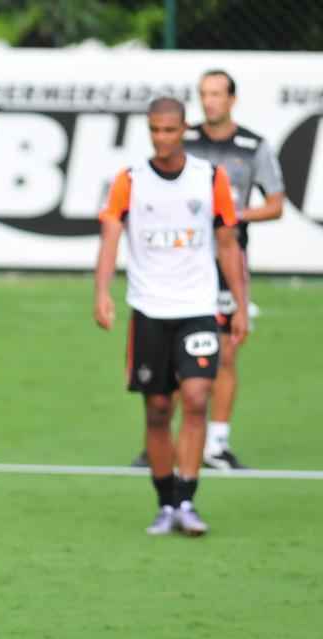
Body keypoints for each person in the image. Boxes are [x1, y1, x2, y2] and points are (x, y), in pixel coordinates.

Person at [94, 97, 248, 536]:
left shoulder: (209, 178)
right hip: (149, 310)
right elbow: (109, 238)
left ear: (184, 130)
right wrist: (102, 292)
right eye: (155, 131)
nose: (162, 138)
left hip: (198, 307)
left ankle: (187, 500)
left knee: (197, 397)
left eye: (170, 130)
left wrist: (236, 302)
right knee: (159, 409)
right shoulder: (130, 181)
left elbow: (227, 243)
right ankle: (164, 504)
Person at [184, 69, 285, 469]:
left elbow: (276, 204)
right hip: (185, 258)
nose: (209, 101)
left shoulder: (253, 146)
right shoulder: (183, 141)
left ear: (232, 100)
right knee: (180, 352)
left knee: (226, 353)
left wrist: (235, 213)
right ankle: (175, 440)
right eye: (203, 94)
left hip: (228, 258)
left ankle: (216, 444)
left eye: (216, 94)